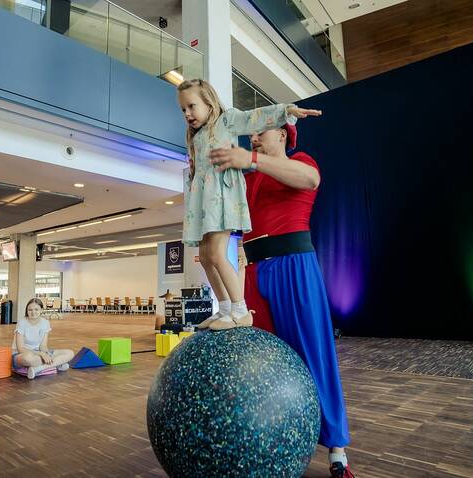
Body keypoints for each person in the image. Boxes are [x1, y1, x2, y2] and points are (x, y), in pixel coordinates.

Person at [209, 123, 354, 478]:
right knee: (260, 362)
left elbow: (310, 180)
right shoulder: (248, 178)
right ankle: (270, 438)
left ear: (283, 135)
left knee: (314, 355)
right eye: (251, 134)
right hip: (254, 271)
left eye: (262, 131)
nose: (254, 137)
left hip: (295, 267)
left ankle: (337, 449)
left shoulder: (301, 161)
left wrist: (251, 159)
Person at [176, 78, 321, 331]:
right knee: (206, 256)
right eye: (183, 109)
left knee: (217, 253)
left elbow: (253, 117)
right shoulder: (197, 137)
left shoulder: (226, 120)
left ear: (209, 103)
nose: (187, 113)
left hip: (222, 200)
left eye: (192, 106)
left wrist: (285, 110)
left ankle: (240, 310)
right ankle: (224, 308)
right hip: (206, 202)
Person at [12, 298, 74, 379]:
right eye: (30, 310)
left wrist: (47, 354)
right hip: (23, 354)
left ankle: (39, 368)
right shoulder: (22, 323)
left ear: (41, 310)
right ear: (27, 311)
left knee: (70, 353)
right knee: (30, 359)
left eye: (36, 309)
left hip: (39, 352)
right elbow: (20, 348)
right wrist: (41, 354)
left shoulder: (45, 322)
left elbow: (43, 345)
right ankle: (56, 364)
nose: (33, 312)